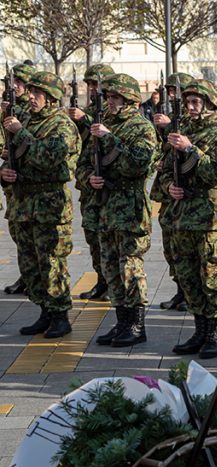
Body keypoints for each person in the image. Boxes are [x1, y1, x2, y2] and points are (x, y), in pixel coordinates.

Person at [157, 79, 217, 359]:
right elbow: (163, 171)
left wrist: (190, 149)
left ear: (210, 105)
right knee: (188, 277)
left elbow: (216, 174)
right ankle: (199, 330)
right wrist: (169, 186)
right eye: (188, 102)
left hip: (209, 220)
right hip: (180, 218)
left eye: (197, 102)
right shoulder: (179, 132)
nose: (191, 107)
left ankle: (215, 335)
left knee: (212, 277)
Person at [1, 71, 81, 338]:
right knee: (30, 262)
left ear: (50, 98)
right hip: (23, 204)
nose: (31, 97)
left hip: (49, 205)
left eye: (38, 94)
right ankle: (44, 310)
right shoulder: (25, 120)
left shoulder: (62, 125)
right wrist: (5, 172)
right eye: (31, 92)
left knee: (51, 262)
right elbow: (12, 156)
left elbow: (49, 158)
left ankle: (60, 315)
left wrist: (20, 132)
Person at [82, 73, 158, 347]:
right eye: (109, 97)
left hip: (129, 209)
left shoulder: (142, 129)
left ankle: (137, 325)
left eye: (116, 98)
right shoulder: (99, 127)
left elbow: (138, 164)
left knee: (130, 268)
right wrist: (88, 179)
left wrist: (110, 139)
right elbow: (81, 164)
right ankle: (122, 321)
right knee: (111, 268)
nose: (111, 102)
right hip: (104, 208)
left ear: (130, 100)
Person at [68, 63, 115, 302]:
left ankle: (111, 283)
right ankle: (101, 280)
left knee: (108, 239)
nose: (93, 89)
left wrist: (85, 120)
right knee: (92, 236)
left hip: (108, 185)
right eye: (90, 85)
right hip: (89, 183)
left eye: (97, 84)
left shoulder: (110, 111)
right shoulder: (87, 109)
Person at [152, 72, 195, 312]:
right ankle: (180, 290)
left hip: (188, 197)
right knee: (171, 248)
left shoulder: (188, 124)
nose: (170, 95)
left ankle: (191, 294)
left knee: (188, 251)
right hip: (169, 192)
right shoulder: (170, 119)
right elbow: (163, 152)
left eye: (175, 91)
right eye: (168, 91)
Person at [1, 62, 35, 297]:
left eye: (21, 82)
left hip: (30, 182)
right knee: (18, 233)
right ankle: (26, 275)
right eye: (12, 82)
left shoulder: (32, 111)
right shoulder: (7, 107)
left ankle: (33, 277)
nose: (15, 86)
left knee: (31, 234)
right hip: (12, 178)